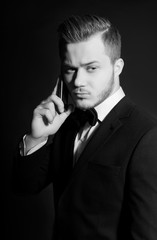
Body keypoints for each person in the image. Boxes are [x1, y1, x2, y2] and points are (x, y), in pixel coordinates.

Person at [13, 15, 157, 239]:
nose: (78, 82)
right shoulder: (66, 122)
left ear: (117, 67)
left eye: (91, 68)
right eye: (70, 69)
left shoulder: (147, 135)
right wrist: (36, 137)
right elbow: (24, 186)